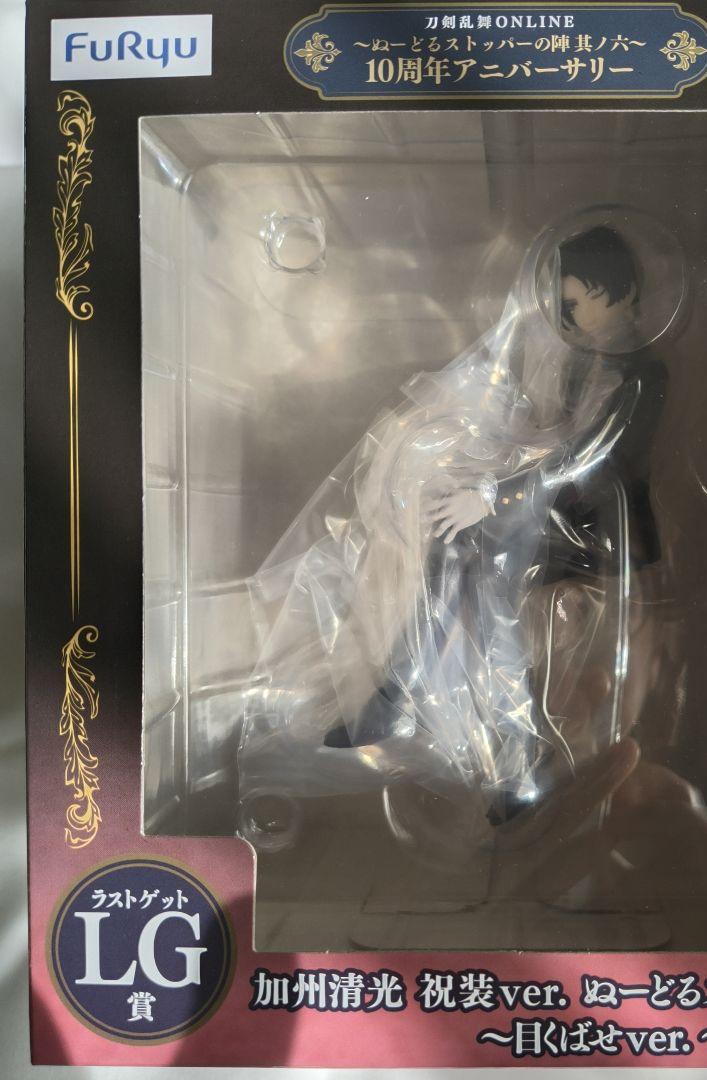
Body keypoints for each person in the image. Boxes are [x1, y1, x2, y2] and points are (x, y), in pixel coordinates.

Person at [243, 222, 667, 826]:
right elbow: (553, 442)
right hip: (552, 507)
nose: (565, 320)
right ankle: (469, 737)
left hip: (596, 530)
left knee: (479, 572)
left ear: (613, 291)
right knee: (466, 562)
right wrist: (486, 454)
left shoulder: (644, 374)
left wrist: (493, 493)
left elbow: (583, 460)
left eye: (573, 305)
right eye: (560, 307)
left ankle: (421, 707)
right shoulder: (584, 365)